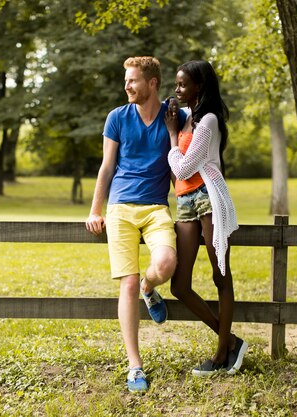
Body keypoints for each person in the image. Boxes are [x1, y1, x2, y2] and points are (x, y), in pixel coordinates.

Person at [85, 56, 186, 393]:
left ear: (152, 83)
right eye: (126, 80)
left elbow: (182, 162)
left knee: (166, 263)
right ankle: (135, 366)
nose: (126, 86)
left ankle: (150, 287)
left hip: (156, 207)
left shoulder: (175, 117)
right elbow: (106, 167)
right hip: (120, 209)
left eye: (133, 80)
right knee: (125, 283)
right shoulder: (117, 117)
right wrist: (95, 210)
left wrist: (188, 204)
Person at [164, 60, 247, 376]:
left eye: (183, 84)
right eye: (176, 83)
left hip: (208, 200)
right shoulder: (188, 120)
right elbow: (180, 172)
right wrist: (176, 128)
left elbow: (183, 167)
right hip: (184, 202)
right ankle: (231, 341)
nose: (178, 89)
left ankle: (220, 354)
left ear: (199, 86)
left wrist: (173, 136)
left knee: (220, 276)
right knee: (180, 285)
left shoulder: (208, 120)